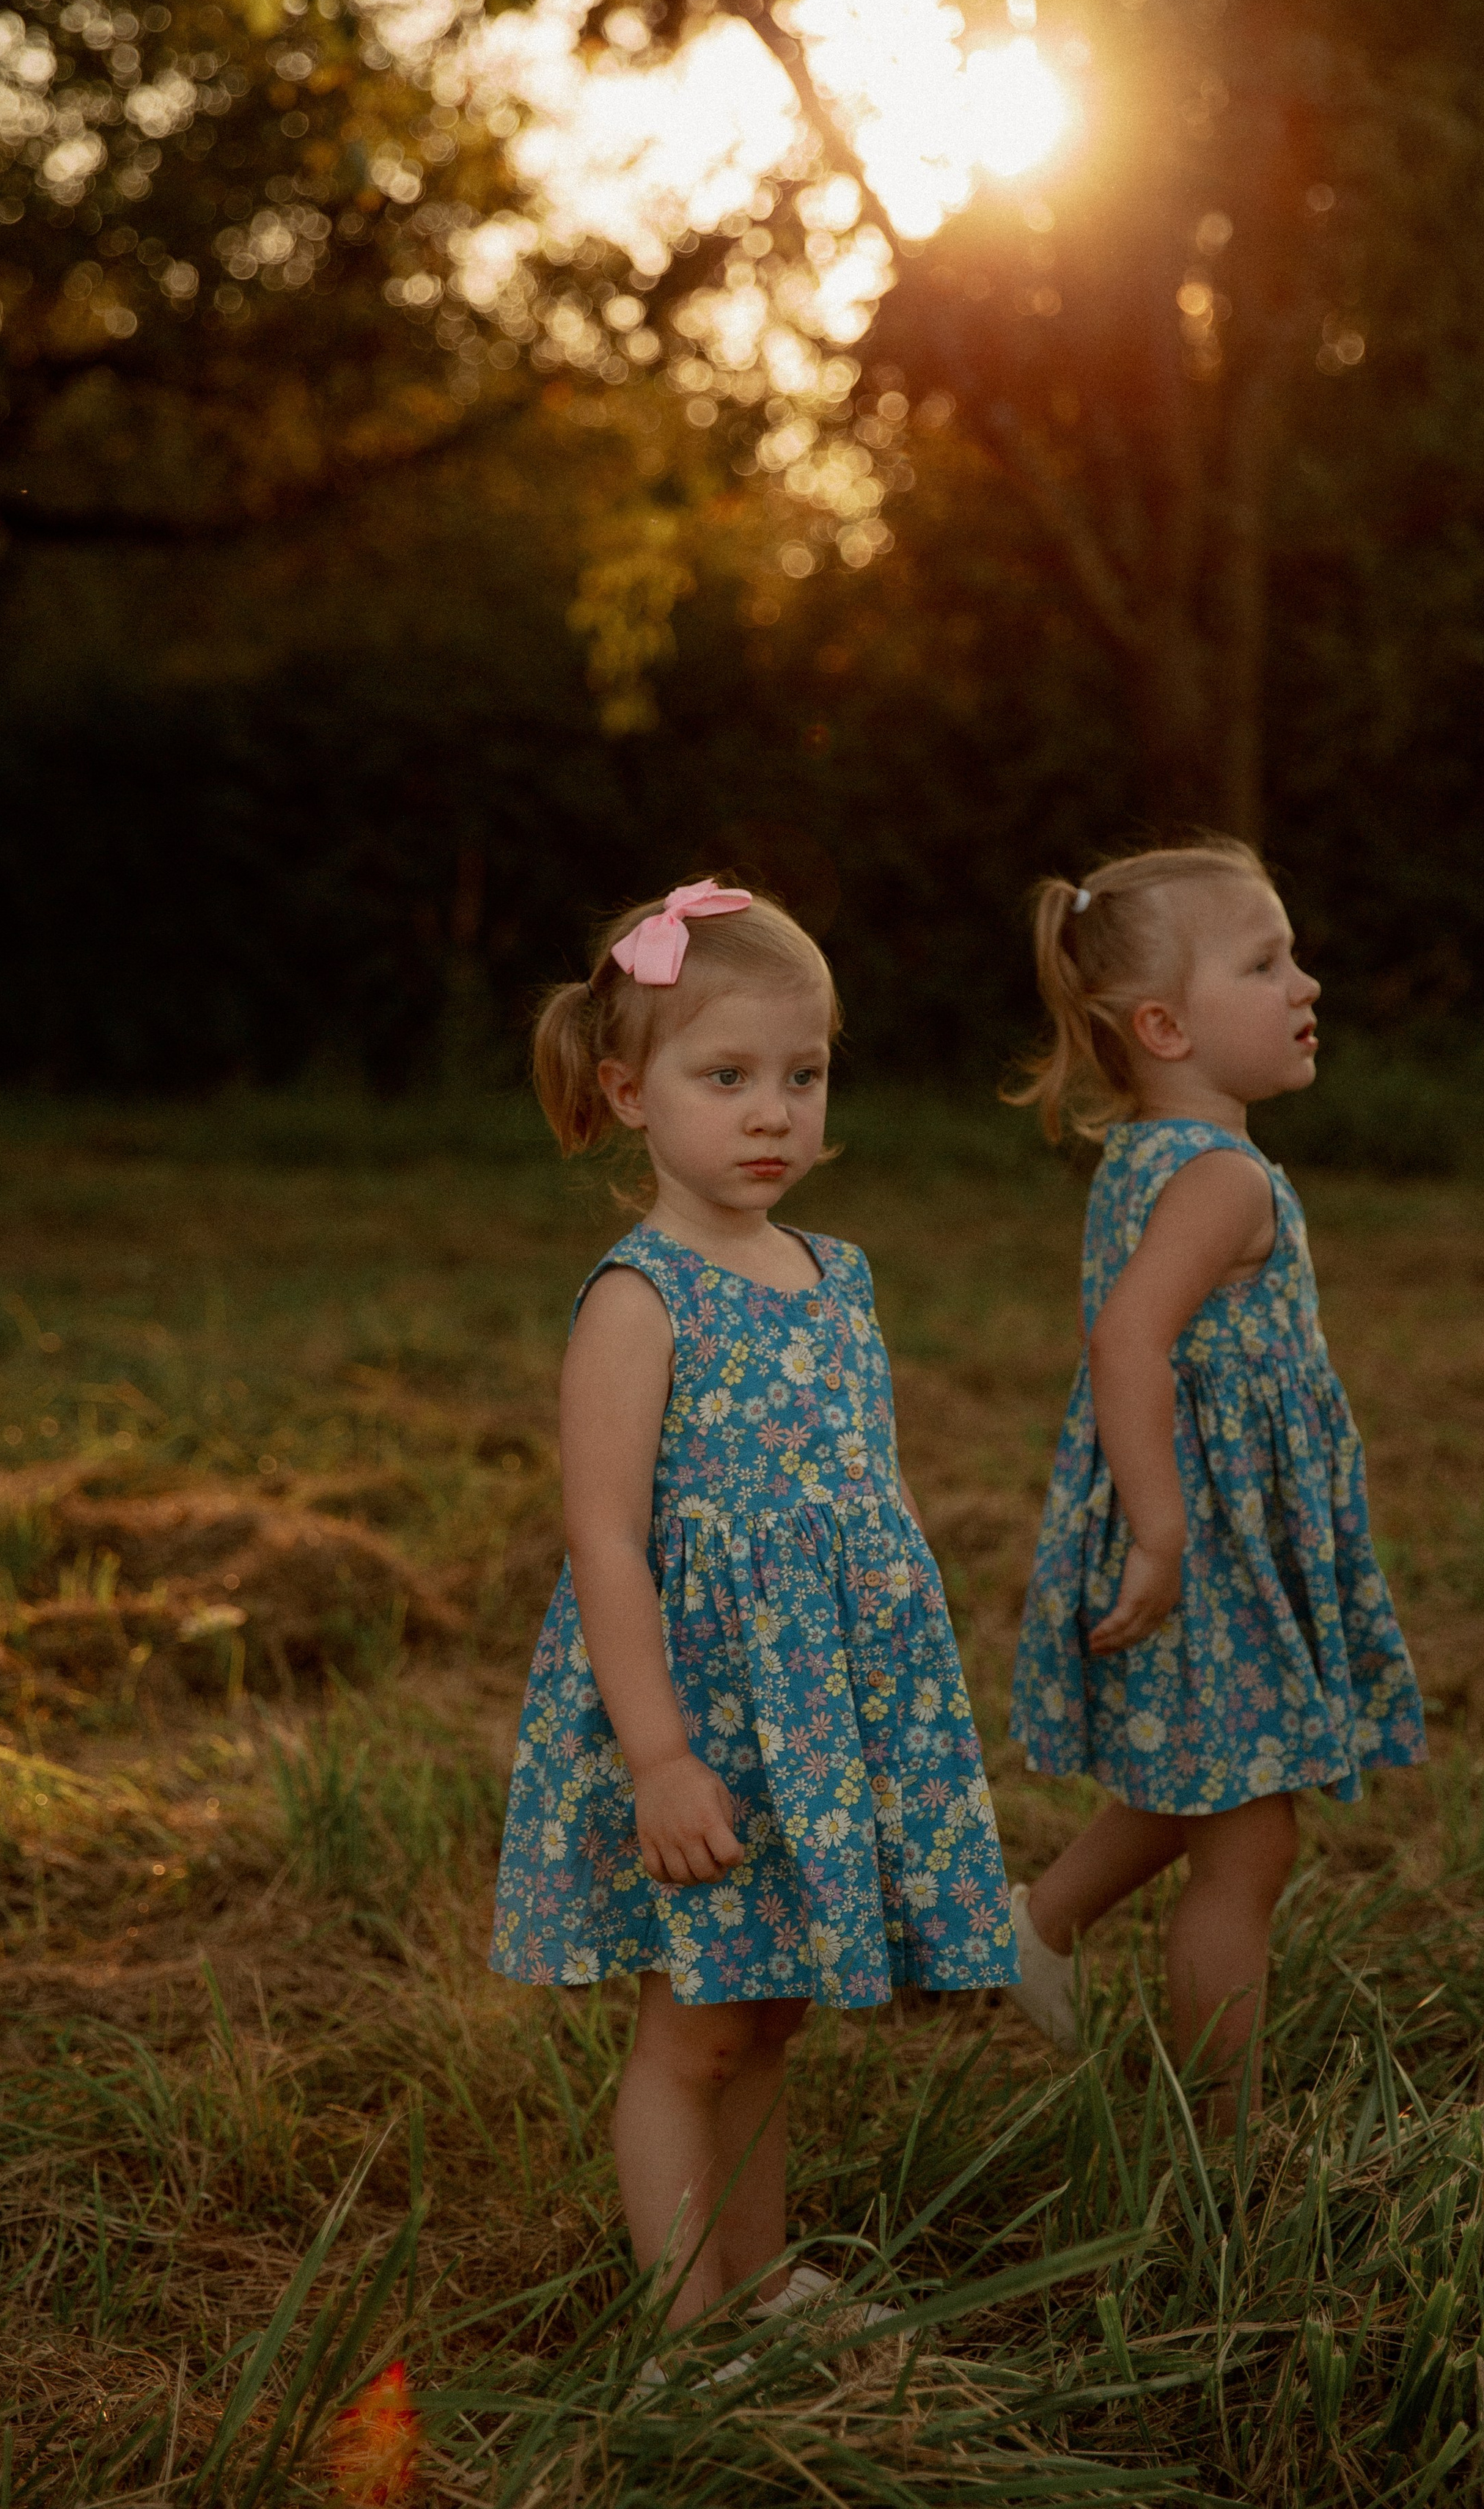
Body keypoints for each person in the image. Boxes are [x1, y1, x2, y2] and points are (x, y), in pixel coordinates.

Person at [491, 878, 1016, 2346]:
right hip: (704, 1720)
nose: (773, 1114)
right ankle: (676, 2330)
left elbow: (855, 1517)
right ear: (627, 1093)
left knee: (770, 2009)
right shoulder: (636, 1300)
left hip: (817, 1717)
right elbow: (603, 1543)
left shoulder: (833, 1279)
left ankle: (758, 2279)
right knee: (692, 2027)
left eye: (803, 1075)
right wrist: (659, 1756)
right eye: (725, 1078)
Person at [1004, 840, 1427, 2130]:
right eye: (1266, 961)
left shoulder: (1151, 1156)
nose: (1305, 982)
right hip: (1203, 1535)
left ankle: (1041, 1922)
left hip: (1205, 1522)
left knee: (1203, 1782)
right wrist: (1165, 1531)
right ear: (1166, 1024)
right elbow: (1128, 1339)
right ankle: (1222, 2142)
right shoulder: (1224, 1176)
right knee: (1252, 1842)